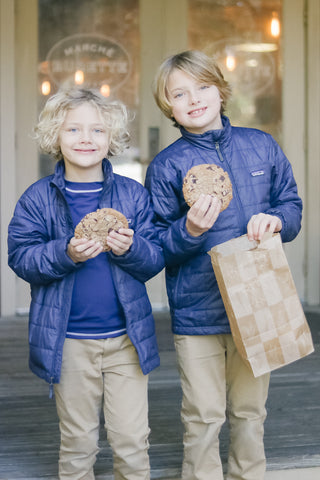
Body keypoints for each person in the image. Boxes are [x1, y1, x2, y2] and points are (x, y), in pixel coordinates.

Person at [145, 50, 303, 480]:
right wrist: (189, 230)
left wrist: (278, 219)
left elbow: (291, 207)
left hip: (259, 304)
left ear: (220, 90)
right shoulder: (166, 167)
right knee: (202, 414)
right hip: (198, 313)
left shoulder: (261, 145)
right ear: (168, 106)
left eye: (202, 86)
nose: (193, 99)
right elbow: (156, 246)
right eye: (179, 93)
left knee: (250, 410)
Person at [8, 87, 164, 480]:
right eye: (73, 129)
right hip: (70, 341)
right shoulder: (37, 198)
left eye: (97, 130)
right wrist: (66, 253)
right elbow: (21, 258)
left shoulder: (132, 194)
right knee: (78, 442)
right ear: (54, 137)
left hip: (126, 340)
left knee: (132, 439)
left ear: (111, 138)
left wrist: (131, 249)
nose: (85, 139)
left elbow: (155, 258)